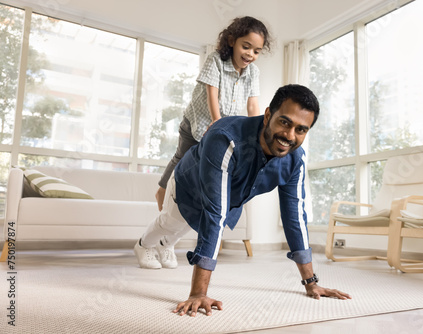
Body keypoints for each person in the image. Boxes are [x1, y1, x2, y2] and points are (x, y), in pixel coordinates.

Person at [134, 84, 352, 317]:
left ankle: (166, 245)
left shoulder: (294, 160)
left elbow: (295, 217)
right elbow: (214, 213)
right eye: (285, 122)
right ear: (268, 114)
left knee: (183, 230)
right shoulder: (225, 137)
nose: (290, 136)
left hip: (227, 198)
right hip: (189, 186)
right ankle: (143, 245)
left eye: (301, 129)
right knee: (172, 223)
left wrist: (311, 282)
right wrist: (198, 293)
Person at [155, 16, 272, 212]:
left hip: (220, 129)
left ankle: (193, 208)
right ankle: (162, 190)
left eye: (256, 51)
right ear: (232, 40)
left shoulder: (253, 73)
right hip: (197, 123)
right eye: (246, 46)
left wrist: (257, 133)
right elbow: (212, 93)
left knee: (209, 168)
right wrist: (217, 122)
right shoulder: (216, 60)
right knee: (181, 158)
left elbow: (252, 105)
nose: (250, 54)